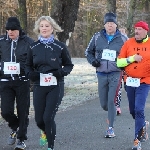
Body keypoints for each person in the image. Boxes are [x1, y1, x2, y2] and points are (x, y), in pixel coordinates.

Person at [25, 16, 74, 150]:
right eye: (42, 26)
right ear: (38, 29)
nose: (44, 28)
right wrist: (31, 75)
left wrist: (60, 73)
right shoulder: (33, 47)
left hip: (55, 85)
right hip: (39, 85)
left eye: (47, 26)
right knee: (39, 120)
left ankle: (50, 146)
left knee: (48, 117)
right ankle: (45, 131)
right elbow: (27, 66)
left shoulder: (60, 46)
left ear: (53, 28)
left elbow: (69, 65)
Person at [85, 12, 128, 138]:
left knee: (111, 101)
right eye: (107, 23)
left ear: (116, 25)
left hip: (116, 72)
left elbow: (129, 55)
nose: (110, 25)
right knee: (104, 104)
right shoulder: (97, 37)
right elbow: (88, 52)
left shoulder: (123, 38)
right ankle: (111, 111)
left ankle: (110, 128)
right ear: (104, 25)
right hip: (101, 73)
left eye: (112, 23)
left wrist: (124, 65)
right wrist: (93, 61)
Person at [0, 17, 34, 150]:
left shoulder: (28, 42)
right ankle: (15, 127)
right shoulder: (1, 42)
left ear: (19, 29)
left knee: (23, 112)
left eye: (13, 29)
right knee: (6, 111)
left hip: (22, 81)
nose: (10, 32)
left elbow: (33, 62)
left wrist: (24, 69)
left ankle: (21, 139)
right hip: (5, 82)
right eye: (7, 29)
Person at [117, 21, 150, 150]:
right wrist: (131, 59)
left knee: (139, 109)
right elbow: (119, 63)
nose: (137, 31)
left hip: (145, 81)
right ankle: (143, 126)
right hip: (130, 81)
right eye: (136, 29)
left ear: (146, 31)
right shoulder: (128, 43)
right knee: (132, 110)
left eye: (140, 29)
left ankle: (137, 140)